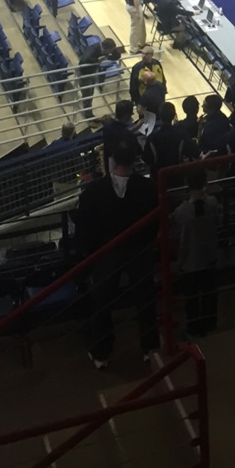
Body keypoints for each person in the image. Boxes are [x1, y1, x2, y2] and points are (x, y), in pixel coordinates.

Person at [77, 137, 159, 368]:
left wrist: (91, 252)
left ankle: (102, 352)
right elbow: (155, 220)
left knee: (102, 302)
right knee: (145, 300)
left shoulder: (93, 191)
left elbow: (86, 226)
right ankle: (149, 346)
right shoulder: (148, 187)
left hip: (106, 252)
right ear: (135, 159)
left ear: (112, 160)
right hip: (139, 249)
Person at [173, 169, 220, 337]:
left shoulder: (180, 212)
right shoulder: (213, 203)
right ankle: (210, 323)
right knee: (209, 293)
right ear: (205, 183)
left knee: (191, 298)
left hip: (189, 262)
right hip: (209, 257)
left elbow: (177, 235)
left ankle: (194, 327)